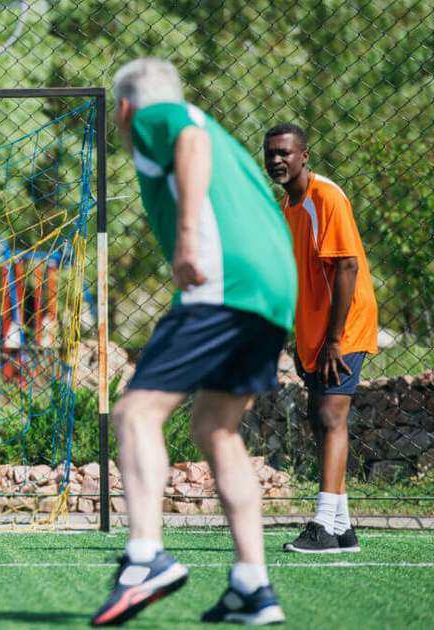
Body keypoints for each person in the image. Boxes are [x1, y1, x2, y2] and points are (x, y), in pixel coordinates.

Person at [90, 58, 296, 626]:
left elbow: (187, 141)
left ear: (125, 107)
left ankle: (144, 556)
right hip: (274, 290)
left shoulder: (159, 116)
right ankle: (253, 585)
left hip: (222, 282)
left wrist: (186, 239)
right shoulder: (222, 137)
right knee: (214, 426)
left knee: (134, 413)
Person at [264, 123, 377, 554]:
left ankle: (322, 526)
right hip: (316, 332)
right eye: (271, 153)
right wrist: (300, 338)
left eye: (285, 153)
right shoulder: (286, 208)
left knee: (331, 417)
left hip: (343, 327)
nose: (277, 160)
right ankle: (343, 527)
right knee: (320, 419)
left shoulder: (325, 197)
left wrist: (332, 340)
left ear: (304, 155)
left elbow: (346, 267)